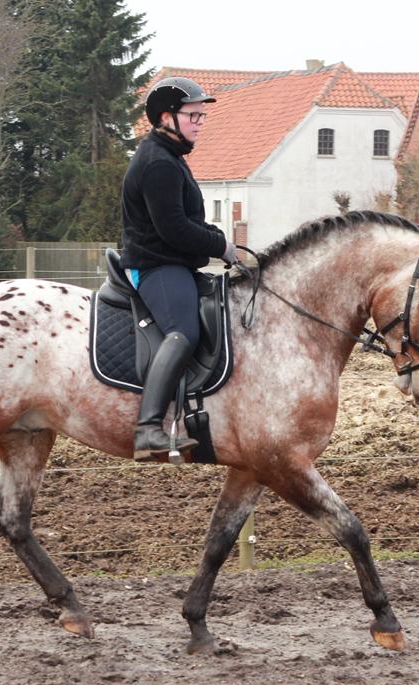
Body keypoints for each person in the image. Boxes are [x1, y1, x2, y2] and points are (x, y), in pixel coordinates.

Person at [121, 76, 238, 461]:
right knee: (183, 332)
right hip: (155, 266)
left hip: (173, 262)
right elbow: (172, 229)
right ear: (166, 117)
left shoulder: (171, 158)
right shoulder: (159, 164)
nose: (200, 122)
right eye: (193, 115)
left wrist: (214, 236)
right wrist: (219, 244)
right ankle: (148, 429)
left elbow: (186, 220)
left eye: (202, 116)